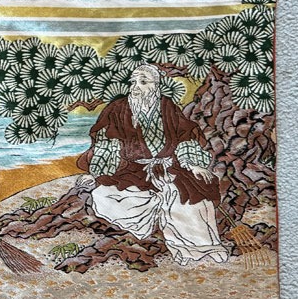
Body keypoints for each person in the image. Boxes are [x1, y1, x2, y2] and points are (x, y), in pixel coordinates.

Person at [75, 63, 229, 266]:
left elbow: (185, 137)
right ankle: (176, 246)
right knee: (106, 196)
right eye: (133, 82)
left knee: (190, 198)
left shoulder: (168, 107)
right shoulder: (118, 109)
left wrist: (193, 165)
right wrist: (96, 173)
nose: (136, 87)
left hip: (169, 167)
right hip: (132, 171)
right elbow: (107, 144)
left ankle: (203, 249)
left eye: (143, 82)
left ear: (156, 85)